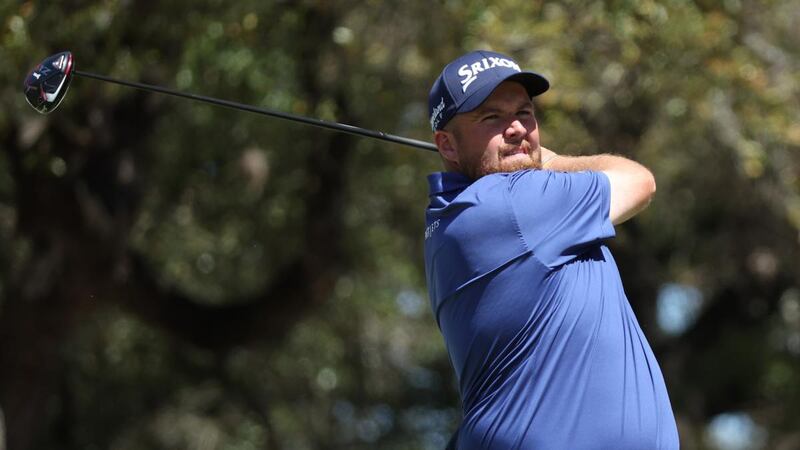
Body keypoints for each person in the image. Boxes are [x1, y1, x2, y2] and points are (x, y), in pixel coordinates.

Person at [423, 50, 679, 449]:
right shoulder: (511, 203)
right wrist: (555, 161)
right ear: (448, 145)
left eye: (524, 113)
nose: (516, 129)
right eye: (491, 117)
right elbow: (640, 181)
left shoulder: (454, 217)